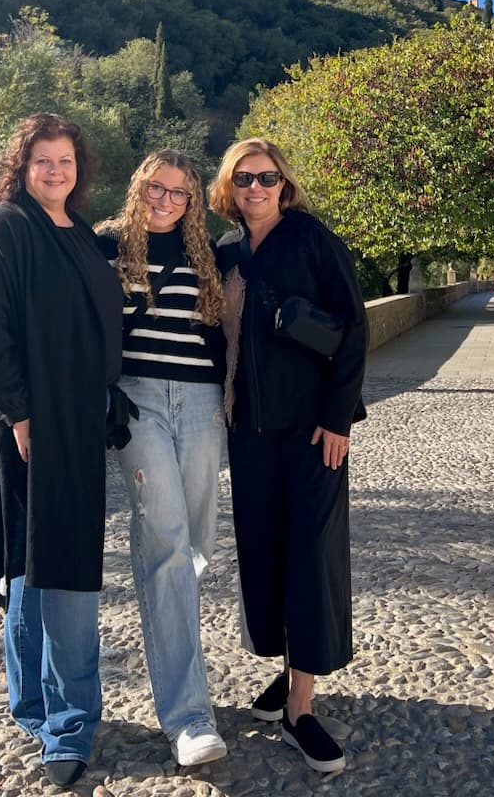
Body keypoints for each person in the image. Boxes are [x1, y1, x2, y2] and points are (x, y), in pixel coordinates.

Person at [0, 113, 124, 790]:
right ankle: (69, 723)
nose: (55, 170)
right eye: (42, 160)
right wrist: (18, 413)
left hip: (74, 415)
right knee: (57, 563)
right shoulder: (4, 229)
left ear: (80, 169)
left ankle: (35, 705)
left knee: (32, 562)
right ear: (20, 166)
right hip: (28, 416)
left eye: (66, 161)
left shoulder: (77, 234)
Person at [209, 137, 367, 776]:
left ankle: (302, 706)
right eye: (244, 178)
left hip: (309, 432)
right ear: (228, 186)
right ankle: (285, 670)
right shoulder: (224, 252)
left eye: (267, 178)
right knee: (266, 556)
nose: (256, 188)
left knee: (310, 557)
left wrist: (337, 418)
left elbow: (353, 326)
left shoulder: (310, 239)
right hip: (249, 432)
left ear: (284, 183)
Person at [96, 150, 228, 767]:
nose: (167, 201)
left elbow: (226, 331)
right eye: (158, 188)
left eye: (181, 193)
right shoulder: (105, 245)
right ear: (139, 186)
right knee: (168, 541)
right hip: (141, 403)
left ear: (193, 201)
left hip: (201, 402)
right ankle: (188, 715)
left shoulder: (208, 253)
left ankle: (171, 616)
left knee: (196, 542)